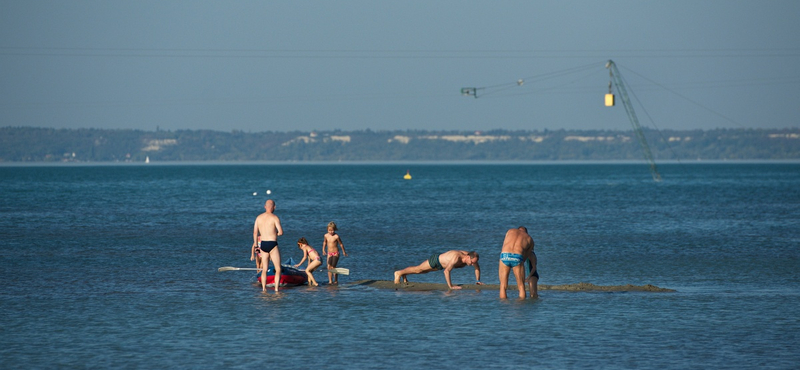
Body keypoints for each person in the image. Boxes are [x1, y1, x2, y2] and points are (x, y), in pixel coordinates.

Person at [393, 250, 481, 290]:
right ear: (468, 257)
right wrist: (451, 286)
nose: (472, 264)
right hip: (436, 260)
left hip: (441, 265)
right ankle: (399, 273)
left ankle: (405, 274)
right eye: (472, 262)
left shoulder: (471, 257)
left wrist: (478, 280)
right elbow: (446, 271)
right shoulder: (456, 257)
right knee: (418, 269)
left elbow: (477, 268)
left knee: (423, 271)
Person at [253, 199, 283, 292]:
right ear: (274, 207)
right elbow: (281, 232)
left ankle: (263, 289)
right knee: (278, 269)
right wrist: (275, 234)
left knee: (264, 269)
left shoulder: (258, 218)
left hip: (263, 244)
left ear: (265, 207)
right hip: (272, 243)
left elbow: (255, 233)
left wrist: (256, 246)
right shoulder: (274, 217)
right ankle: (277, 289)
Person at [498, 226, 535, 299]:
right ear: (526, 232)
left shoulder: (510, 231)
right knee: (521, 286)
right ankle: (521, 306)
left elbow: (504, 245)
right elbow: (526, 256)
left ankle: (503, 307)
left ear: (517, 230)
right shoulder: (529, 238)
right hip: (517, 256)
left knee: (503, 285)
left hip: (505, 255)